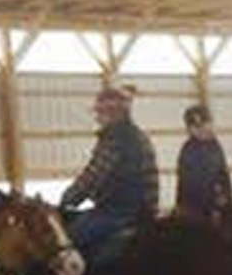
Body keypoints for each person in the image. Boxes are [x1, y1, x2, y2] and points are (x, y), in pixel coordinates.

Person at [57, 83, 158, 261]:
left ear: (113, 114)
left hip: (116, 211)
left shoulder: (114, 140)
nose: (98, 118)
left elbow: (92, 177)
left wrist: (66, 201)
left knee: (67, 240)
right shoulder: (139, 136)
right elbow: (152, 180)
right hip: (142, 212)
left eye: (100, 113)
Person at [174, 103, 232, 220]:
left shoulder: (215, 145)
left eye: (206, 124)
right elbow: (192, 187)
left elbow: (224, 175)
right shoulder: (189, 151)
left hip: (217, 210)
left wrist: (228, 199)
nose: (203, 129)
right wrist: (214, 202)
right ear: (190, 129)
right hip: (197, 214)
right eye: (197, 126)